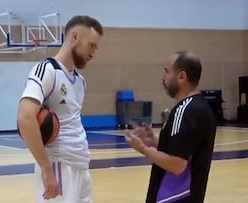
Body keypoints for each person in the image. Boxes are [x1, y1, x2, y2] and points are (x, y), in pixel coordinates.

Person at [17, 15, 103, 203]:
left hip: (80, 164)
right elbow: (25, 118)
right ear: (74, 37)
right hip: (58, 165)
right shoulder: (46, 70)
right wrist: (46, 168)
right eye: (91, 45)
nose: (94, 52)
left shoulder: (80, 81)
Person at [125, 51, 217, 203]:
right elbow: (185, 150)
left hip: (173, 198)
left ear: (182, 76)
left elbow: (177, 165)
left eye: (167, 71)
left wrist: (143, 148)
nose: (163, 78)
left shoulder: (186, 111)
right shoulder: (198, 107)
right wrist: (155, 142)